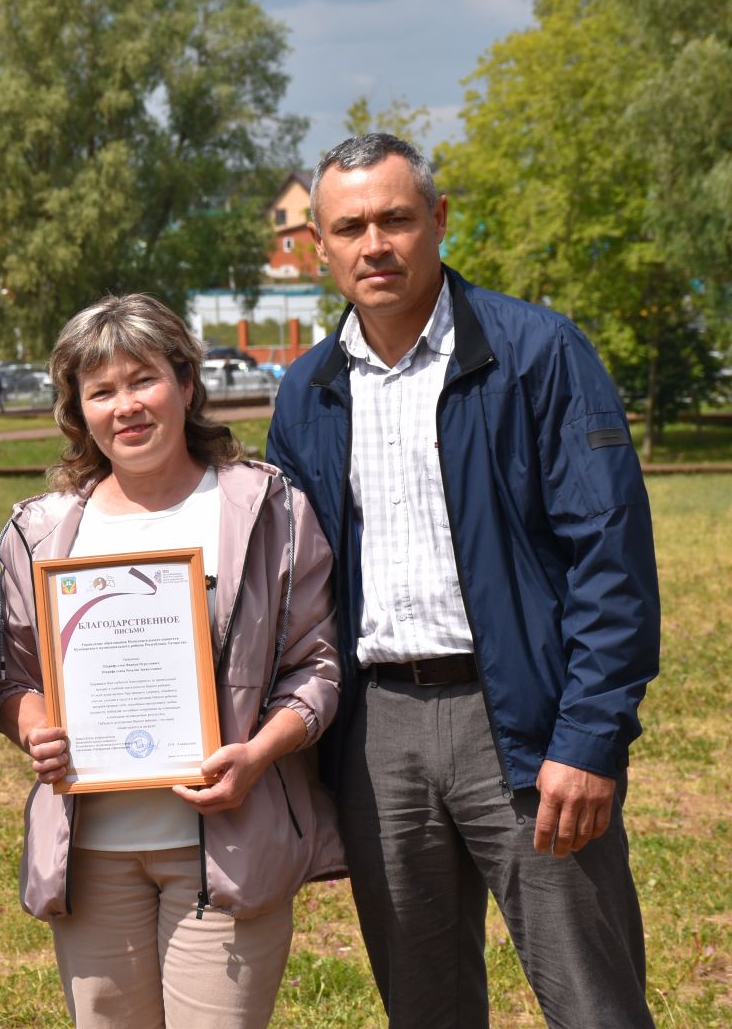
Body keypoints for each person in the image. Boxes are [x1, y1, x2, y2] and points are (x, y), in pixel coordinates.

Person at [265, 133, 660, 1028]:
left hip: (522, 722)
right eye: (350, 226)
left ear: (438, 220)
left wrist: (590, 738)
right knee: (424, 1007)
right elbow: (289, 586)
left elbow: (612, 559)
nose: (377, 244)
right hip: (378, 739)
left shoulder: (539, 353)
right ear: (318, 246)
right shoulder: (307, 393)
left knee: (593, 1002)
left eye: (397, 219)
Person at [0, 294, 343, 1027]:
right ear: (77, 410)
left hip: (227, 846)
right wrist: (34, 726)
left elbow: (319, 666)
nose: (127, 407)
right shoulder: (40, 532)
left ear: (185, 382)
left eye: (143, 379)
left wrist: (258, 753)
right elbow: (9, 676)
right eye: (101, 391)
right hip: (92, 856)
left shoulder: (268, 508)